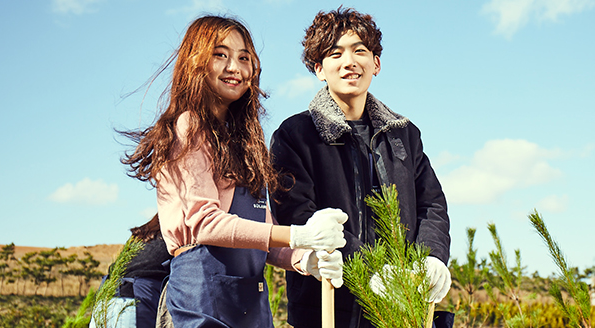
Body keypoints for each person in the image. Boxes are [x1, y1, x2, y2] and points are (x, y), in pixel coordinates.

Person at [120, 15, 346, 328]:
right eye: (220, 55)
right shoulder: (189, 127)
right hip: (201, 300)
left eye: (244, 58)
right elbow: (205, 224)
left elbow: (264, 234)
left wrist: (304, 259)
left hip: (250, 304)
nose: (234, 68)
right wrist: (299, 233)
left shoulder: (245, 142)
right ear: (195, 61)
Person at [270, 7, 452, 328]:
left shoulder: (404, 134)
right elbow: (297, 215)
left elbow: (431, 204)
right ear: (319, 69)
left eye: (360, 51)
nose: (349, 62)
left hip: (400, 302)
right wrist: (374, 268)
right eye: (335, 53)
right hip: (327, 303)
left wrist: (432, 258)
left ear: (376, 64)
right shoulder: (295, 134)